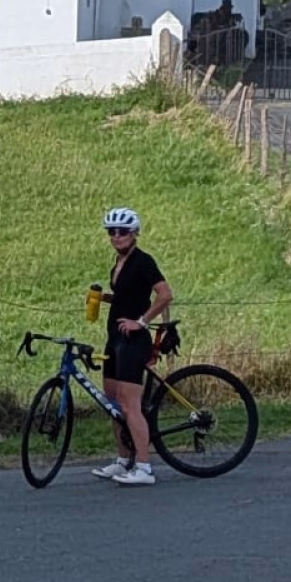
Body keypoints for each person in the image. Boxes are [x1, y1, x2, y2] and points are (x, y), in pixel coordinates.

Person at [93, 207, 174, 486]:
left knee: (130, 406)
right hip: (114, 338)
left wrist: (141, 322)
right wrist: (103, 298)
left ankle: (143, 466)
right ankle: (122, 460)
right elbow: (126, 296)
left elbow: (165, 294)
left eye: (123, 231)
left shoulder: (143, 261)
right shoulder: (118, 263)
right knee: (113, 405)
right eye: (112, 232)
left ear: (134, 233)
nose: (117, 236)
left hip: (132, 341)